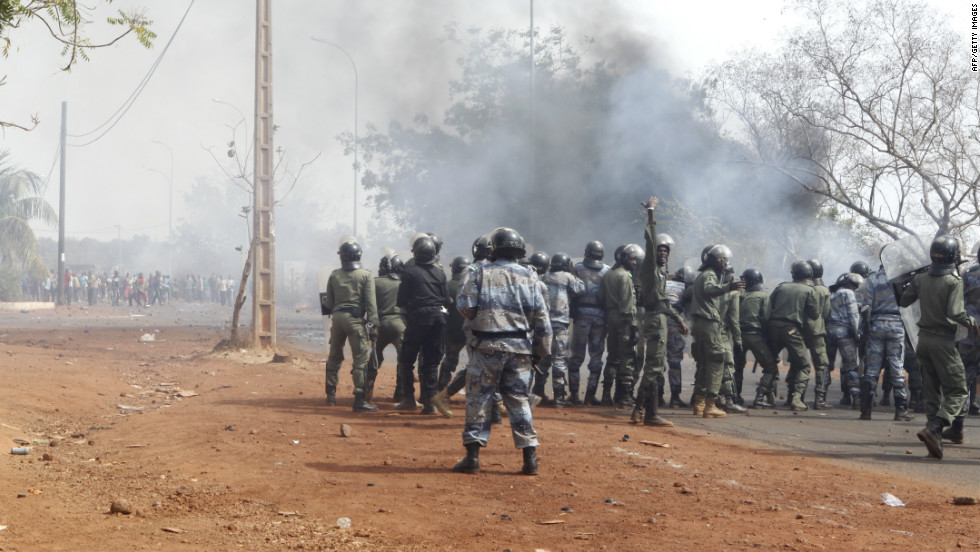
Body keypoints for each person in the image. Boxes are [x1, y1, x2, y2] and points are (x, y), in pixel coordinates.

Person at [452, 227, 551, 476]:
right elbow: (542, 318)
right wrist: (541, 351)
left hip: (486, 347)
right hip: (520, 350)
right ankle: (530, 459)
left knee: (478, 400)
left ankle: (472, 458)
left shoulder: (481, 272)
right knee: (519, 401)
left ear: (493, 249)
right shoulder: (531, 277)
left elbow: (466, 307)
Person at [899, 236, 979, 459]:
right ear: (954, 256)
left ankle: (935, 441)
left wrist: (908, 281)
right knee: (958, 390)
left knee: (932, 390)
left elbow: (904, 301)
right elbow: (955, 313)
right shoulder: (954, 281)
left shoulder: (922, 278)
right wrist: (971, 323)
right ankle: (935, 428)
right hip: (944, 341)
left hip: (924, 340)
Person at [632, 197, 689, 425]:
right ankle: (642, 410)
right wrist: (651, 212)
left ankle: (648, 412)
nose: (663, 253)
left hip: (662, 318)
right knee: (654, 366)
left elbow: (665, 302)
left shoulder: (661, 274)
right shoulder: (648, 267)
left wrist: (679, 320)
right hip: (655, 320)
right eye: (660, 250)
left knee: (657, 366)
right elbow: (650, 239)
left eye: (666, 250)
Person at [395, 236, 450, 415]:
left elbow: (401, 300)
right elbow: (446, 299)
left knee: (406, 360)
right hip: (438, 319)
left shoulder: (410, 273)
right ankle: (430, 403)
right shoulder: (440, 273)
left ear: (416, 254)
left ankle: (409, 399)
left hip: (418, 319)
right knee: (431, 363)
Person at [323, 240, 380, 412]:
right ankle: (359, 399)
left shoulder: (334, 275)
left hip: (337, 318)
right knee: (361, 359)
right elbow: (371, 304)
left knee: (334, 356)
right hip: (355, 320)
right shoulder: (366, 275)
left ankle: (331, 396)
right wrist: (374, 325)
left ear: (341, 257)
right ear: (358, 255)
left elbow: (329, 301)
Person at [690, 245, 745, 418]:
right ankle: (710, 405)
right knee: (717, 361)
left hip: (700, 324)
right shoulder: (709, 275)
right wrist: (729, 287)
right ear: (712, 260)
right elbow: (709, 289)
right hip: (709, 323)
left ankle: (699, 403)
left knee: (705, 363)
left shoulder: (702, 276)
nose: (724, 262)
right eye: (721, 259)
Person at [856, 260, 913, 421]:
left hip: (877, 325)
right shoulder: (901, 280)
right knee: (896, 367)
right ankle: (901, 411)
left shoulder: (872, 279)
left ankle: (866, 411)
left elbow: (866, 308)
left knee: (872, 368)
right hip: (896, 326)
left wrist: (864, 332)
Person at [765, 261, 819, 412]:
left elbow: (768, 307)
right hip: (792, 330)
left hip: (773, 328)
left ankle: (763, 396)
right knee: (803, 365)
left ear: (793, 274)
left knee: (770, 362)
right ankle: (796, 399)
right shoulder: (809, 290)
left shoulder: (781, 287)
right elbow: (814, 314)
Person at [539, 252, 585, 407]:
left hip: (543, 324)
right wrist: (575, 274)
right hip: (560, 324)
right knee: (559, 360)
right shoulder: (567, 277)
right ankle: (558, 397)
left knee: (542, 359)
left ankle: (538, 393)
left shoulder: (543, 277)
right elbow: (580, 289)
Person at [599, 243, 642, 407]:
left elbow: (601, 297)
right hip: (624, 319)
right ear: (623, 258)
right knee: (627, 356)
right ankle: (624, 397)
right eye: (631, 259)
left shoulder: (609, 274)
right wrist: (633, 325)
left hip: (611, 316)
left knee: (612, 356)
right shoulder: (625, 276)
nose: (634, 262)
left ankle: (605, 394)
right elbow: (627, 303)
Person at [738, 269, 780, 409]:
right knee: (770, 367)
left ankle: (735, 396)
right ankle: (760, 397)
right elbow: (766, 317)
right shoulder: (763, 295)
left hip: (738, 335)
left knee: (737, 367)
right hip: (754, 335)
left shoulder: (739, 295)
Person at [369, 254, 407, 404]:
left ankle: (367, 390)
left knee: (374, 358)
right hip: (400, 325)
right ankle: (401, 393)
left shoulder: (374, 282)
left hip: (379, 324)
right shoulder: (404, 283)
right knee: (404, 360)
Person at [825, 273, 864, 409]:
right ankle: (857, 398)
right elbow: (853, 316)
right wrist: (858, 335)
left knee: (827, 365)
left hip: (829, 332)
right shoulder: (849, 293)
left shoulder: (832, 294)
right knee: (851, 366)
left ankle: (821, 397)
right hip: (845, 334)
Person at [805, 259, 832, 409]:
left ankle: (795, 397)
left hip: (800, 331)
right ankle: (819, 398)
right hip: (817, 331)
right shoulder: (823, 290)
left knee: (800, 364)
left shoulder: (802, 287)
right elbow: (827, 314)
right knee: (822, 364)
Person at [664, 267, 692, 407]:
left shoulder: (665, 282)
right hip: (675, 325)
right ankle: (675, 398)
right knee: (674, 362)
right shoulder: (685, 289)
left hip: (659, 323)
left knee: (657, 362)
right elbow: (688, 313)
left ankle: (656, 396)